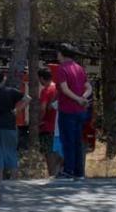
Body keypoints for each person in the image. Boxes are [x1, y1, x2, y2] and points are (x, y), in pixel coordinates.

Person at [55, 43, 92, 180]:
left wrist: (77, 99)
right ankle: (79, 172)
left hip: (67, 109)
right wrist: (83, 98)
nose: (57, 55)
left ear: (62, 54)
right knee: (77, 140)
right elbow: (88, 87)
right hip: (80, 110)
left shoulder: (61, 69)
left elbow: (64, 89)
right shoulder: (79, 68)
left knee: (68, 140)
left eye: (58, 53)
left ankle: (68, 170)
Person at [0, 72, 30, 181]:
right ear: (3, 79)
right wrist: (17, 109)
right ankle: (14, 178)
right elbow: (27, 98)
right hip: (9, 124)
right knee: (11, 151)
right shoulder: (11, 91)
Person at [38, 68, 62, 177]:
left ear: (42, 78)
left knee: (49, 152)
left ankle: (52, 174)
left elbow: (43, 108)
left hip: (47, 126)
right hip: (58, 125)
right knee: (57, 151)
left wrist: (39, 121)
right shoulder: (57, 88)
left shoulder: (46, 90)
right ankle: (58, 172)